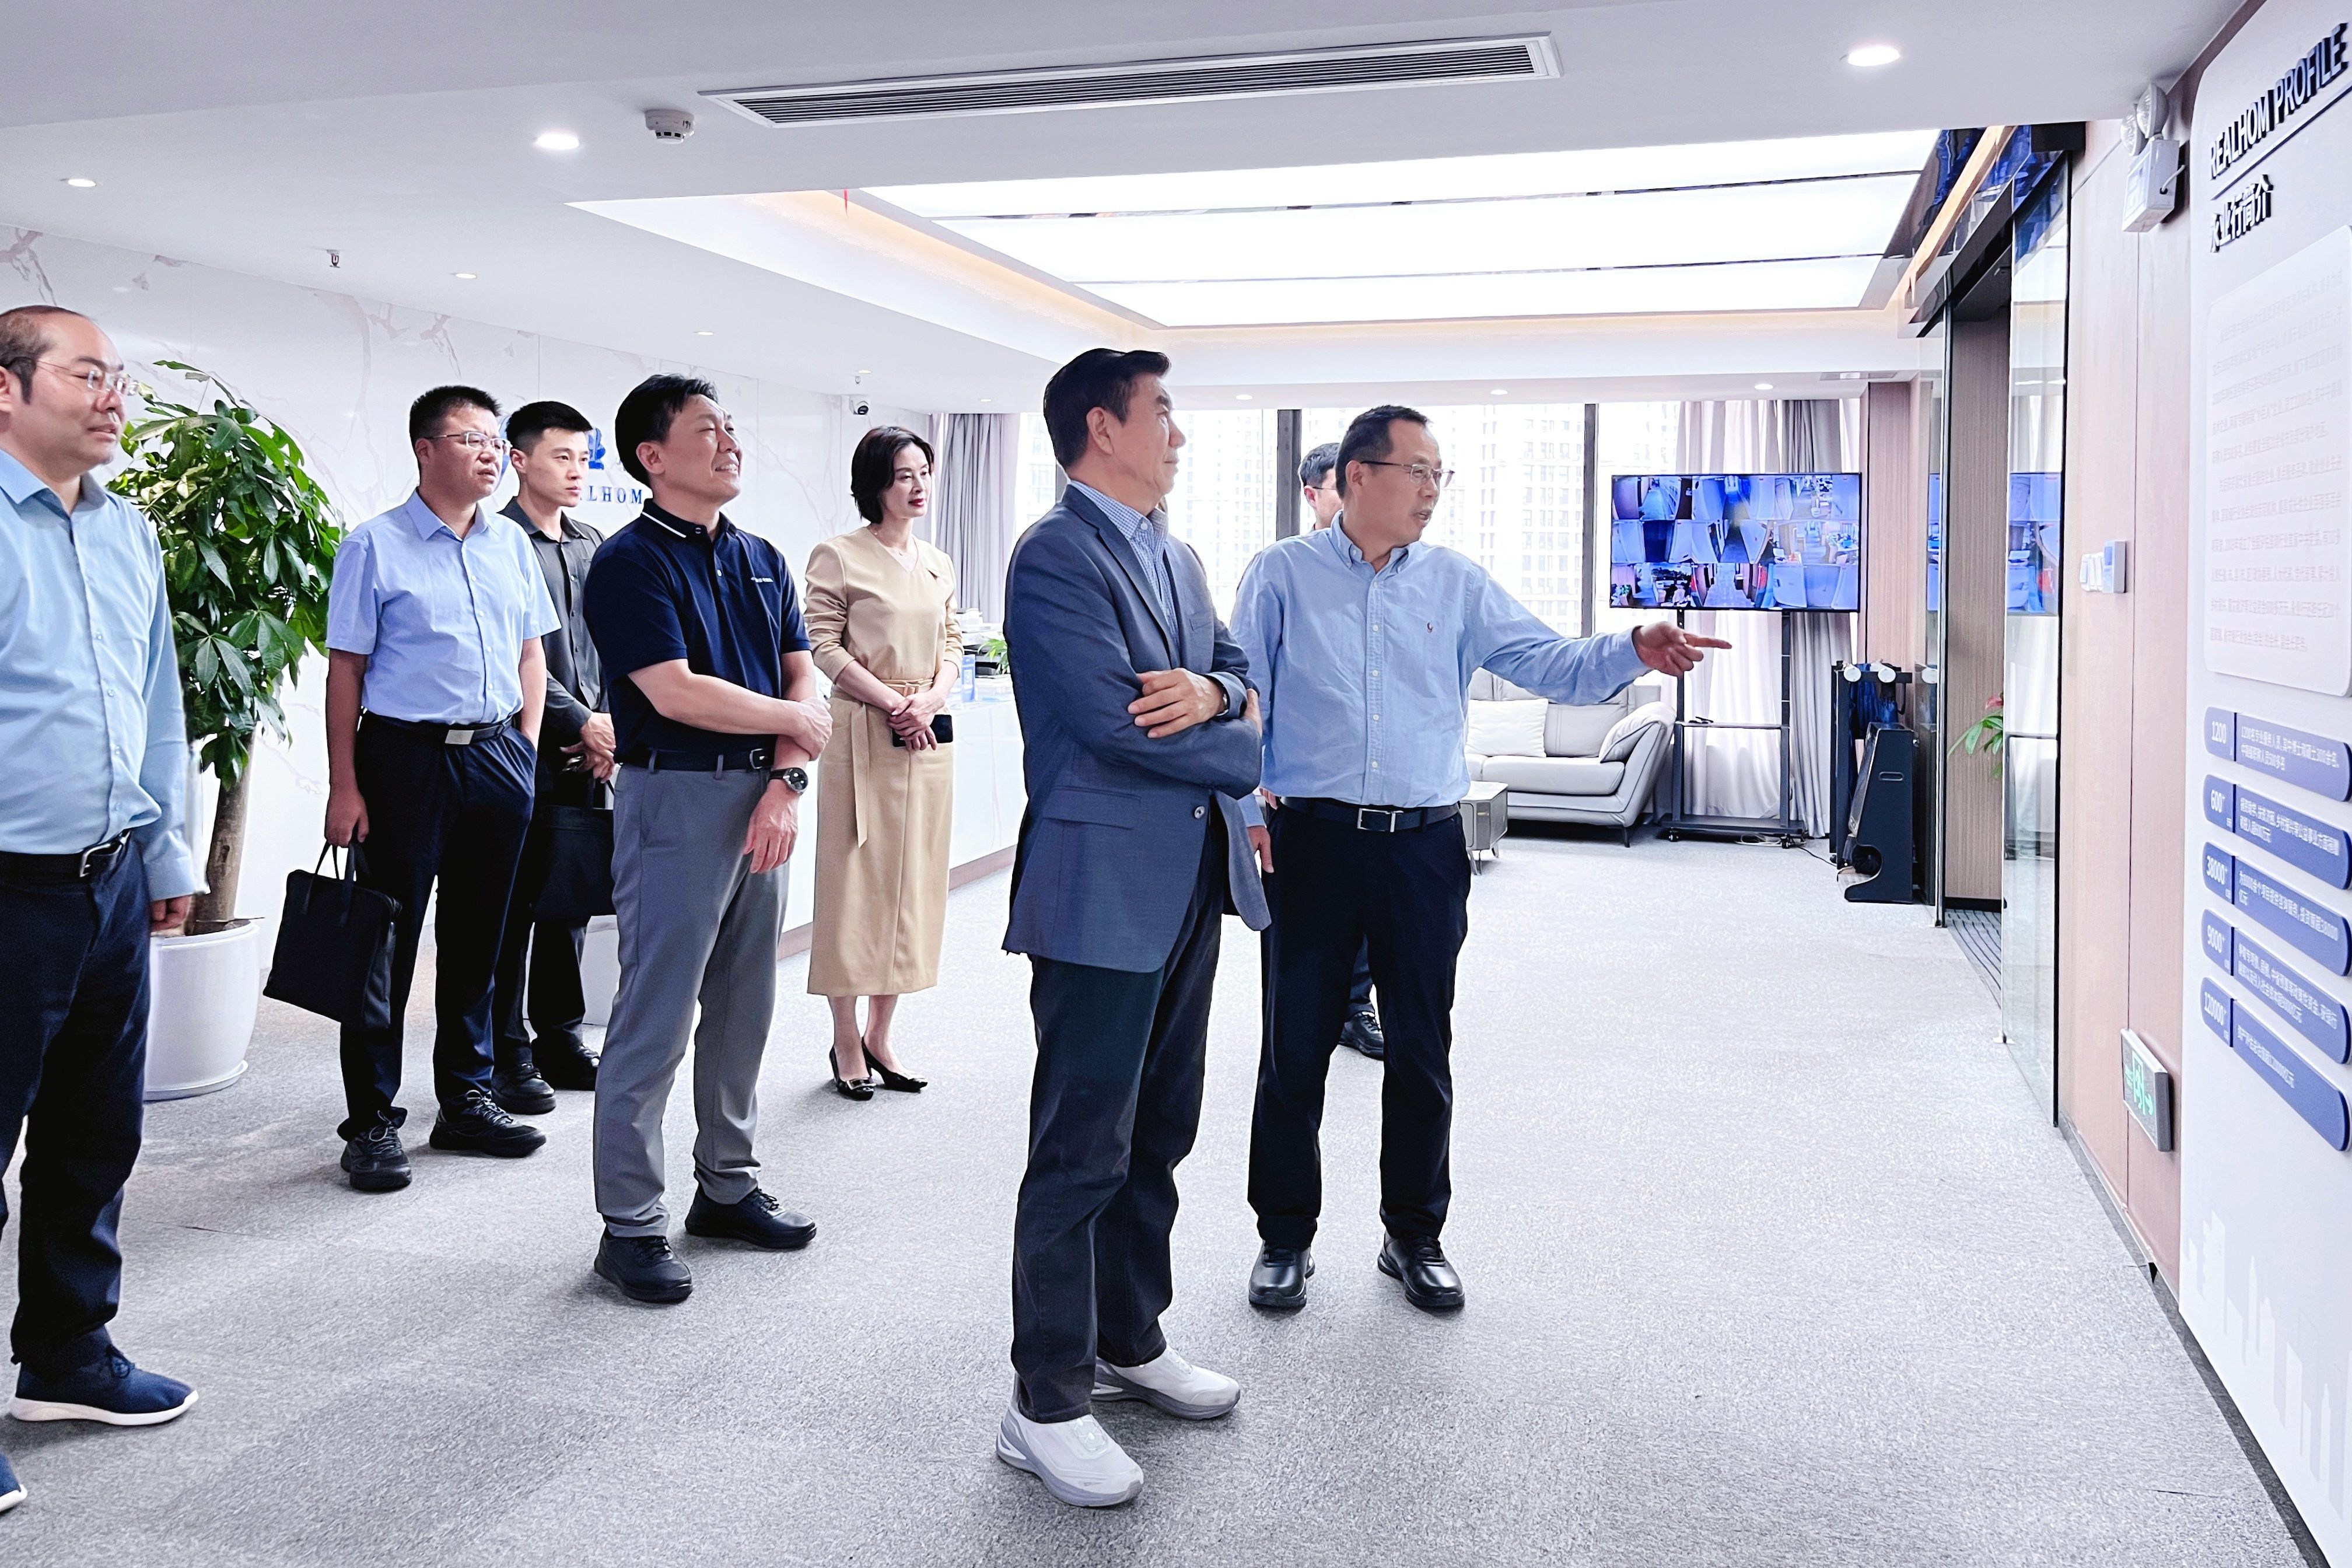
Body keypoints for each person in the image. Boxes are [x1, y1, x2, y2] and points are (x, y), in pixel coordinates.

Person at [1232, 404, 1726, 1314]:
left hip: (1424, 847)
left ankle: (1414, 1235)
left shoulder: (1456, 582)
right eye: (1417, 471)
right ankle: (1284, 1236)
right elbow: (1244, 695)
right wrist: (1240, 806)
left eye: (1440, 474)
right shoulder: (1281, 574)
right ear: (1357, 476)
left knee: (1422, 1048)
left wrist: (1631, 648)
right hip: (1313, 842)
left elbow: (1548, 661)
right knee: (1293, 1049)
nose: (1432, 490)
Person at [995, 348, 1267, 1510]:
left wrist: (1214, 694)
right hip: (1099, 888)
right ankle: (1044, 1399)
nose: (1179, 434)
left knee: (1158, 1128)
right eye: (1163, 413)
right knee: (1082, 1146)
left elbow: (1238, 672)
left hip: (1190, 879)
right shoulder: (1055, 553)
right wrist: (1239, 736)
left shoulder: (1176, 552)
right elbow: (1116, 723)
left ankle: (1128, 1336)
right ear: (1103, 428)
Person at [0, 305, 201, 1516]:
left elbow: (158, 697)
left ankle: (67, 1354)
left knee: (93, 1132)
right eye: (86, 374)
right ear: (6, 389)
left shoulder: (126, 529)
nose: (113, 395)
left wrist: (167, 848)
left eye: (118, 376)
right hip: (6, 884)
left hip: (112, 877)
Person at [580, 374, 831, 1306]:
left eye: (732, 427)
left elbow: (803, 677)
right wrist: (795, 726)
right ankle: (630, 1224)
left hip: (764, 800)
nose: (731, 442)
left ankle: (727, 1186)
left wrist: (786, 783)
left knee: (744, 1006)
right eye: (708, 430)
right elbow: (675, 691)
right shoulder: (629, 563)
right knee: (656, 1015)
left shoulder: (762, 557)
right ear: (652, 456)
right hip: (675, 799)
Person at [324, 386, 558, 1192]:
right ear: (425, 449)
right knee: (385, 946)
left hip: (496, 757)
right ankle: (371, 1121)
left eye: (495, 440)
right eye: (471, 439)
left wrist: (524, 750)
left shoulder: (510, 545)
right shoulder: (373, 546)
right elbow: (346, 671)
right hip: (404, 761)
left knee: (478, 939)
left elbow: (532, 652)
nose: (491, 453)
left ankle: (465, 1099)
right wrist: (345, 785)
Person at [805, 426, 961, 1098]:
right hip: (865, 732)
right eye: (903, 475)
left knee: (912, 885)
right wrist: (894, 703)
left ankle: (881, 1034)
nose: (918, 485)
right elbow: (823, 645)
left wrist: (930, 700)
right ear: (875, 483)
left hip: (925, 737)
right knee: (855, 883)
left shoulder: (937, 561)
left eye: (924, 472)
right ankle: (845, 1038)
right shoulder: (839, 555)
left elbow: (953, 641)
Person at [488, 400, 608, 1106]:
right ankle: (505, 1050)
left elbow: (612, 645)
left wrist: (609, 729)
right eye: (562, 457)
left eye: (583, 459)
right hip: (521, 747)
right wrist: (582, 721)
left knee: (569, 901)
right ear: (520, 459)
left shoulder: (592, 542)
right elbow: (515, 654)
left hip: (590, 751)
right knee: (509, 907)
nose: (576, 472)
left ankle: (559, 1037)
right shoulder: (498, 542)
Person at [1294, 441, 1382, 1060]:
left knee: (1374, 922)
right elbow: (1255, 681)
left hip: (1380, 794)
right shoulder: (1288, 571)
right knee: (1310, 933)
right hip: (1310, 797)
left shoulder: (1392, 570)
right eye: (1341, 487)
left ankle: (1356, 1008)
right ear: (1314, 496)